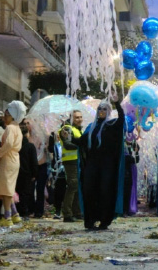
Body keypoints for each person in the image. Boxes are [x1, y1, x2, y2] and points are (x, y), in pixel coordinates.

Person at [77, 98, 126, 231]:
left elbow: (122, 120)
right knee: (89, 190)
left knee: (105, 191)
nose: (101, 111)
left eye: (105, 109)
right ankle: (90, 220)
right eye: (99, 108)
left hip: (107, 166)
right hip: (92, 164)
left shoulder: (111, 124)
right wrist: (66, 137)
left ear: (109, 111)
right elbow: (81, 142)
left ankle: (104, 221)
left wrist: (117, 103)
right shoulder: (91, 127)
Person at [0, 101, 26, 227]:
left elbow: (8, 144)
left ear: (12, 116)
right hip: (14, 158)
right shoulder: (17, 128)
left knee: (6, 189)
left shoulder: (10, 128)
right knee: (9, 187)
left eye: (6, 115)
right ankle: (14, 213)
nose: (4, 117)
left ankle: (7, 217)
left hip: (8, 159)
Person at [59, 110, 84, 223]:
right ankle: (67, 213)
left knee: (77, 186)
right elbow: (68, 144)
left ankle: (77, 212)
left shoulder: (77, 129)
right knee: (73, 186)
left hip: (77, 160)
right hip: (70, 161)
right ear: (71, 118)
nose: (79, 119)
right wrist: (81, 146)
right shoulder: (67, 128)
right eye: (77, 117)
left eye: (80, 117)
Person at [15, 122, 38, 219]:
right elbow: (34, 161)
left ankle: (17, 212)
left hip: (16, 172)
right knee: (26, 193)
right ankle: (24, 212)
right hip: (27, 174)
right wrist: (35, 174)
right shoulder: (30, 146)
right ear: (26, 134)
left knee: (17, 192)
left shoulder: (15, 146)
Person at [47, 126, 67, 220]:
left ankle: (68, 210)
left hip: (68, 168)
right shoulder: (56, 145)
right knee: (58, 190)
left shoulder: (68, 143)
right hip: (58, 171)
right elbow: (50, 150)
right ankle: (58, 210)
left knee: (69, 190)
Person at [123, 131, 140, 216]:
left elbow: (136, 160)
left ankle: (128, 209)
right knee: (125, 189)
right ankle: (124, 210)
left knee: (130, 189)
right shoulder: (122, 146)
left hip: (131, 171)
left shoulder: (134, 146)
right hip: (124, 171)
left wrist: (136, 152)